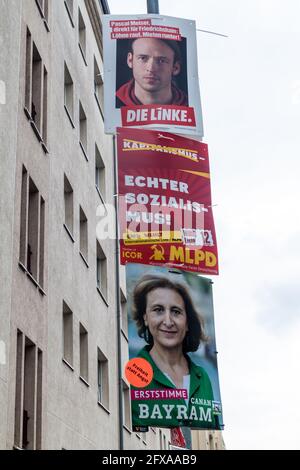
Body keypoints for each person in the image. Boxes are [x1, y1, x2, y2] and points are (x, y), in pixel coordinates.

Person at [130, 274, 220, 429]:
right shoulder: (134, 373)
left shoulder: (203, 377)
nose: (168, 321)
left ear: (187, 322)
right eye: (158, 310)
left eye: (176, 312)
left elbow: (214, 426)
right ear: (145, 318)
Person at [116, 38, 188, 107]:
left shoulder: (192, 107)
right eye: (143, 58)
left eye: (162, 61)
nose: (151, 69)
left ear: (175, 68)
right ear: (130, 60)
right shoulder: (110, 104)